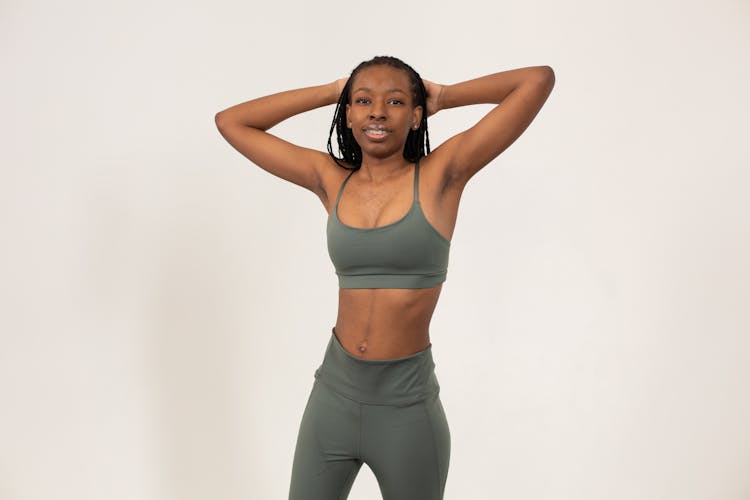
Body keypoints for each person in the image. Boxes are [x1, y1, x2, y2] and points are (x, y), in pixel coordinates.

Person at [215, 55, 555, 500]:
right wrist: (329, 92)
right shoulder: (329, 180)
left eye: (395, 101)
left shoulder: (442, 176)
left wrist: (448, 97)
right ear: (349, 114)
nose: (377, 111)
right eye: (362, 101)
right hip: (333, 396)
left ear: (416, 116)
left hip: (406, 407)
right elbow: (232, 122)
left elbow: (536, 80)